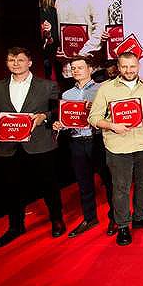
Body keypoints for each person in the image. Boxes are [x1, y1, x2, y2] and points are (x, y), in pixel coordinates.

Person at [0, 47, 65, 247]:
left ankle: (57, 220)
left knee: (49, 185)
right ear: (7, 63)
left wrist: (44, 117)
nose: (16, 63)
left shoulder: (47, 86)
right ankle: (16, 227)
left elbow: (57, 110)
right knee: (12, 188)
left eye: (20, 59)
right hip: (8, 146)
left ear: (30, 62)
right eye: (11, 60)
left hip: (40, 144)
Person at [88, 52, 143, 246]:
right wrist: (112, 125)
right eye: (124, 66)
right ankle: (122, 225)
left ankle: (140, 217)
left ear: (138, 66)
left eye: (132, 66)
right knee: (121, 187)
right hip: (118, 146)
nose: (129, 70)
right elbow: (93, 117)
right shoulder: (106, 89)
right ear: (118, 67)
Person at [52, 56, 115, 238]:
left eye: (80, 67)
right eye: (73, 68)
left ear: (90, 69)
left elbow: (112, 115)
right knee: (84, 183)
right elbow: (68, 119)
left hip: (98, 140)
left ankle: (115, 218)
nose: (76, 71)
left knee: (109, 181)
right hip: (76, 141)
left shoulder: (102, 89)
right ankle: (90, 218)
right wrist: (60, 125)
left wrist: (95, 108)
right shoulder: (67, 95)